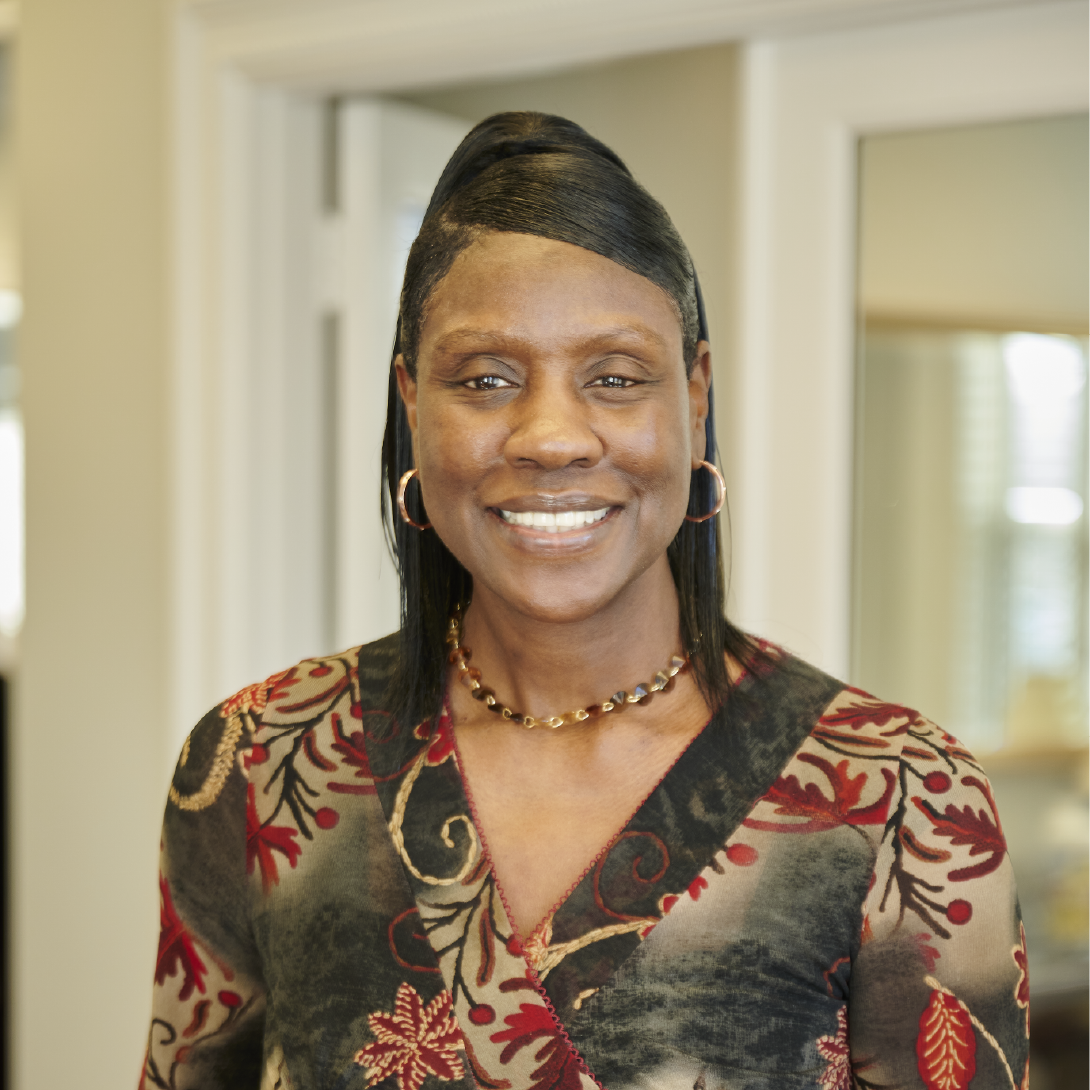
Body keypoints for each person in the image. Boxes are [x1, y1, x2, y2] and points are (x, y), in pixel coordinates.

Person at [142, 113, 1029, 1090]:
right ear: (410, 401)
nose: (551, 437)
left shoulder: (896, 793)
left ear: (693, 393)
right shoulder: (260, 762)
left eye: (614, 376)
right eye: (484, 378)